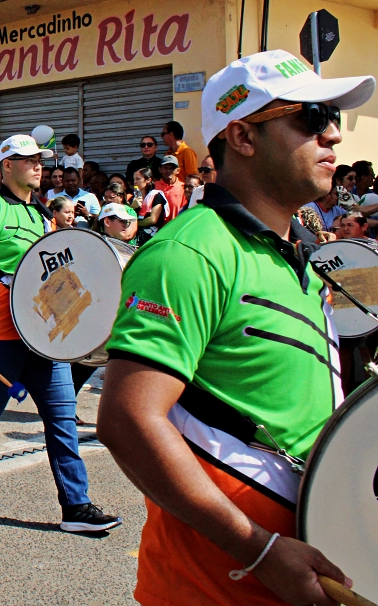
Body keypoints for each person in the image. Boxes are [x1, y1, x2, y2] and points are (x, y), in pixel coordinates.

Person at [100, 49, 372, 605]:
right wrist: (261, 552)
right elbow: (128, 419)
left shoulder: (296, 255)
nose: (334, 135)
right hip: (211, 589)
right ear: (243, 136)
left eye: (334, 118)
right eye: (312, 118)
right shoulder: (189, 252)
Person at [0, 134, 121, 533]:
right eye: (28, 160)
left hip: (42, 337)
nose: (38, 166)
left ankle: (76, 507)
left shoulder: (41, 214)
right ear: (7, 165)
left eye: (40, 160)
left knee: (62, 418)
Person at [133, 166, 169, 241]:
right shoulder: (133, 198)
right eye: (134, 179)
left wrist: (134, 223)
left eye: (138, 179)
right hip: (135, 239)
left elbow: (153, 219)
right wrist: (132, 207)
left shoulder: (156, 195)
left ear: (148, 180)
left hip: (152, 239)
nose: (135, 182)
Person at [155, 155, 185, 222]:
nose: (168, 171)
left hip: (176, 225)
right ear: (160, 170)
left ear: (178, 170)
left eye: (172, 168)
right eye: (165, 168)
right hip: (157, 227)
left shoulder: (183, 188)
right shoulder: (154, 186)